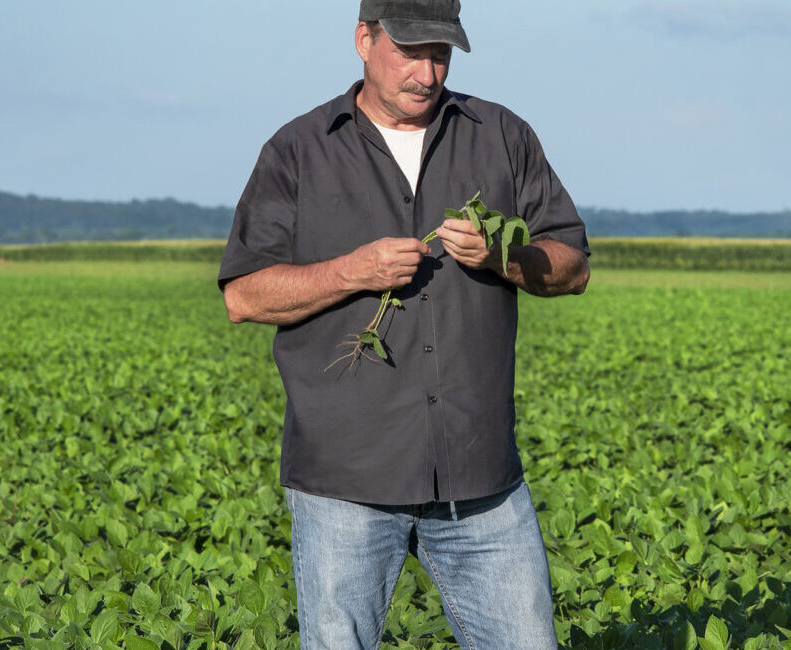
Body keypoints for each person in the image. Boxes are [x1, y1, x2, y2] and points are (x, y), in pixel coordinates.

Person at [216, 0, 590, 647]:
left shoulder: (500, 135)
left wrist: (503, 256)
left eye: (440, 54)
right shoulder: (299, 150)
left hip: (481, 481)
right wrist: (351, 272)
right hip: (346, 481)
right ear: (364, 39)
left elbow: (572, 266)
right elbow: (245, 296)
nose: (427, 72)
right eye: (412, 52)